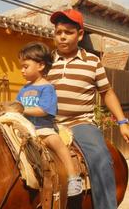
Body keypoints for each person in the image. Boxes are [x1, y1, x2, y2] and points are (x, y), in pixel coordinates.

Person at [47, 9, 129, 209]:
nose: (62, 37)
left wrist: (123, 123)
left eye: (68, 32)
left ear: (80, 34)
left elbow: (107, 93)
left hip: (79, 125)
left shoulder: (91, 62)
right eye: (58, 32)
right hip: (48, 125)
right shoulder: (47, 61)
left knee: (101, 160)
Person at [16, 42, 83, 197]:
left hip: (43, 129)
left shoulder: (47, 88)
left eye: (25, 66)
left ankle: (73, 177)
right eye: (21, 66)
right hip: (25, 129)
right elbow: (17, 106)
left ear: (40, 66)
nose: (22, 70)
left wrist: (23, 110)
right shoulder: (24, 89)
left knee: (56, 142)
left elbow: (44, 110)